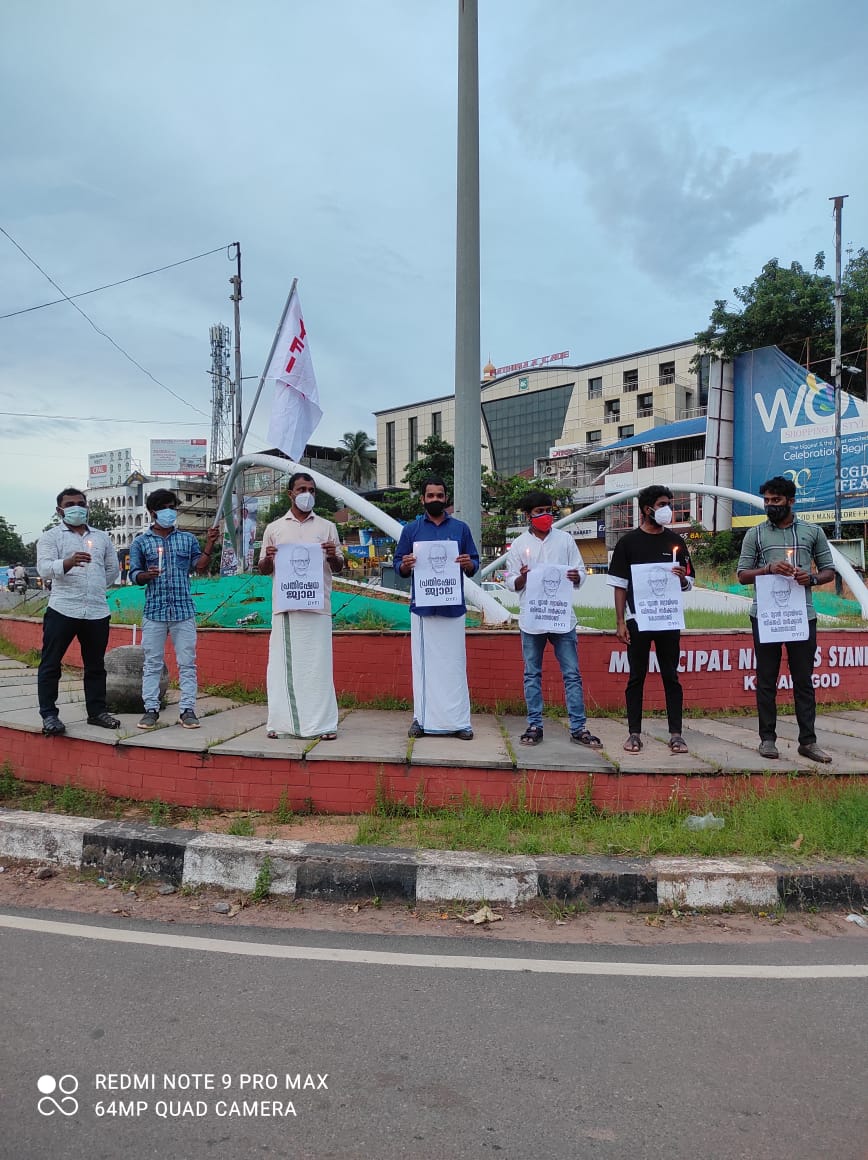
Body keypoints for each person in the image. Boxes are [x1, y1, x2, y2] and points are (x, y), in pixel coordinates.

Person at [736, 475, 835, 763]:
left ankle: (808, 742)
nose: (770, 505)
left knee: (803, 680)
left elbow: (829, 570)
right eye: (767, 501)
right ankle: (767, 740)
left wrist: (812, 578)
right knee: (766, 679)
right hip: (766, 616)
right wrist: (767, 569)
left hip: (802, 615)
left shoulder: (812, 531)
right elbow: (742, 575)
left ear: (791, 501)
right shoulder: (755, 534)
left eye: (776, 501)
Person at [503, 490, 601, 748]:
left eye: (549, 510)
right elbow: (510, 581)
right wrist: (523, 577)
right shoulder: (518, 545)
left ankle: (578, 727)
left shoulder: (565, 540)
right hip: (533, 619)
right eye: (539, 512)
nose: (545, 516)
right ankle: (535, 724)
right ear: (528, 516)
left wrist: (576, 577)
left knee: (571, 673)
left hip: (561, 618)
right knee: (532, 673)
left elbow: (580, 571)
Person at [607, 484, 694, 754]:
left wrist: (683, 579)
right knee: (637, 676)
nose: (667, 509)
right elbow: (620, 585)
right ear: (647, 509)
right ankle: (634, 733)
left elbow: (690, 580)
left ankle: (676, 734)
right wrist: (621, 622)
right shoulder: (628, 543)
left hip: (667, 619)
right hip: (638, 620)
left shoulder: (676, 542)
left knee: (671, 675)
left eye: (669, 503)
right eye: (662, 504)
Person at [259, 473, 344, 739]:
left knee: (318, 665)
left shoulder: (328, 527)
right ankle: (280, 723)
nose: (307, 493)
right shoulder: (274, 528)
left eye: (311, 489)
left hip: (318, 606)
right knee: (283, 666)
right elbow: (263, 569)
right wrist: (270, 558)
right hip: (286, 608)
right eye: (302, 489)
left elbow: (339, 567)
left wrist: (332, 555)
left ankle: (324, 724)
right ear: (290, 494)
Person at [394, 477, 479, 740]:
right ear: (422, 499)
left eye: (439, 495)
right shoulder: (411, 530)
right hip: (423, 610)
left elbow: (474, 564)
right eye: (430, 496)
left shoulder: (461, 529)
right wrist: (406, 564)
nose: (435, 500)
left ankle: (460, 722)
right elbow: (399, 566)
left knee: (455, 665)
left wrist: (467, 563)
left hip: (453, 607)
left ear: (446, 498)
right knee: (423, 667)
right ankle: (421, 720)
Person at [128, 489, 221, 730]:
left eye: (173, 507)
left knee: (188, 663)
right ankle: (150, 709)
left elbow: (199, 567)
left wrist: (210, 544)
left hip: (183, 611)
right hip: (155, 612)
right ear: (152, 512)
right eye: (165, 507)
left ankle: (188, 709)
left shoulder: (187, 539)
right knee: (152, 663)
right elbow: (134, 575)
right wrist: (147, 575)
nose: (170, 512)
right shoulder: (141, 542)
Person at [36, 488, 121, 736]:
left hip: (96, 611)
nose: (77, 507)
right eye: (70, 504)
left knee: (95, 666)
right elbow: (43, 569)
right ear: (59, 510)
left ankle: (97, 712)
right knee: (51, 664)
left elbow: (111, 570)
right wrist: (68, 563)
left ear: (87, 507)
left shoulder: (102, 537)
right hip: (63, 608)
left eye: (81, 503)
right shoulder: (51, 537)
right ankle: (49, 715)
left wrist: (92, 585)